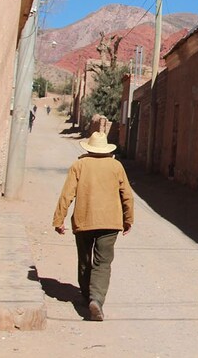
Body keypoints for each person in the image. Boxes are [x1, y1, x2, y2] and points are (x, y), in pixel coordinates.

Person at [52, 132, 134, 321]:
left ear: (88, 148)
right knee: (102, 263)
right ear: (106, 150)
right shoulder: (116, 166)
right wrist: (128, 219)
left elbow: (67, 194)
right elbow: (127, 195)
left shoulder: (79, 165)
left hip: (84, 220)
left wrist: (59, 219)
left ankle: (85, 295)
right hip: (110, 222)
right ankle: (96, 299)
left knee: (84, 259)